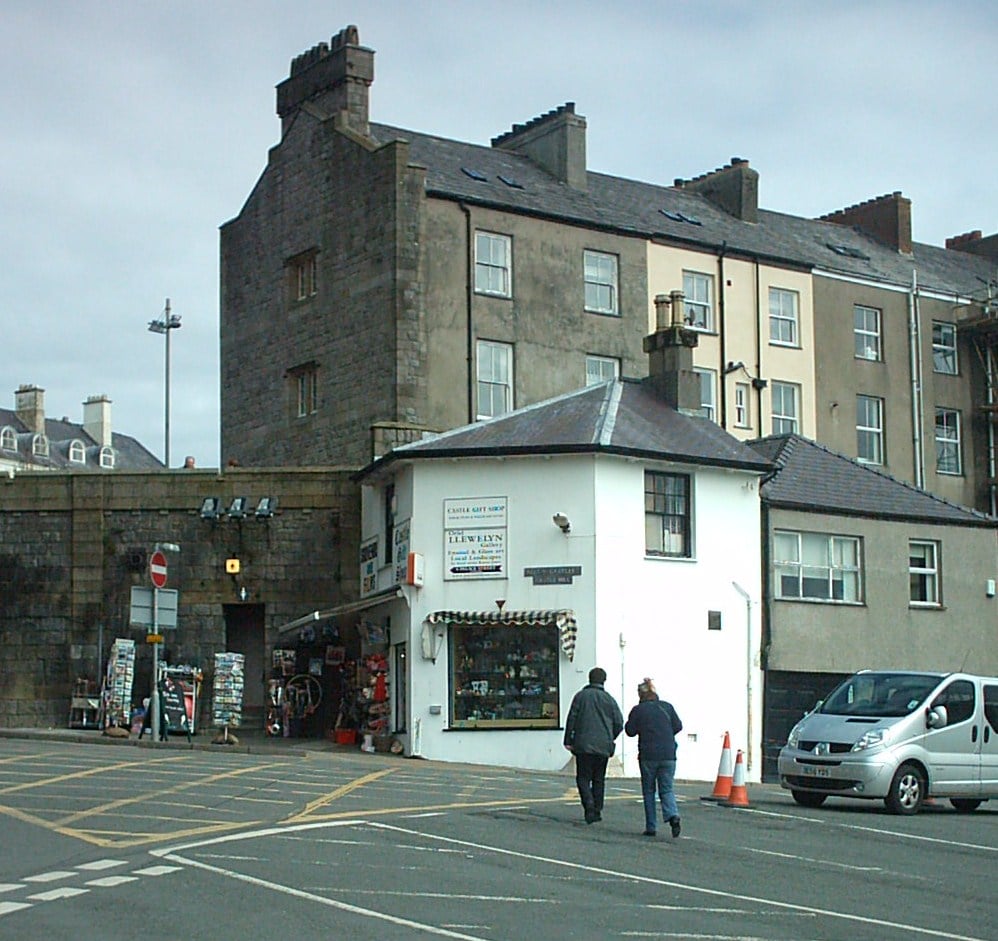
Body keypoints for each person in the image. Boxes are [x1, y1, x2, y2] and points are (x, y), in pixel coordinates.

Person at [564, 666, 624, 824]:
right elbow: (619, 723)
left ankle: (589, 805)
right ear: (604, 680)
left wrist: (568, 740)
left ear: (589, 678)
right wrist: (610, 737)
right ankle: (597, 809)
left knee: (583, 777)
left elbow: (572, 718)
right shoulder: (609, 699)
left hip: (583, 744)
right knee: (599, 778)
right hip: (603, 745)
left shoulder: (581, 696)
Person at [625, 677, 683, 838]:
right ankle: (673, 815)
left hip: (648, 754)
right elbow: (678, 726)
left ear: (640, 695)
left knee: (649, 790)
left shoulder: (638, 710)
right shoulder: (667, 707)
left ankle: (651, 826)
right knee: (667, 788)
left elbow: (630, 731)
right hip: (669, 754)